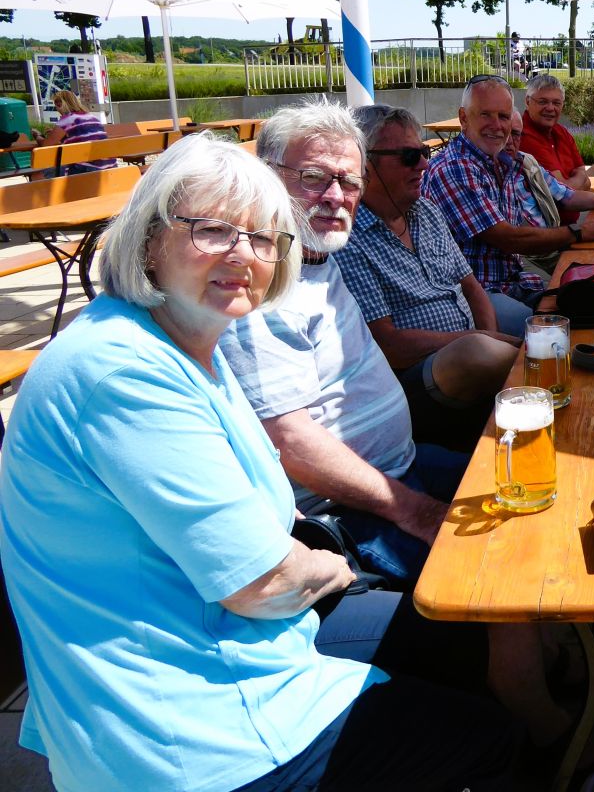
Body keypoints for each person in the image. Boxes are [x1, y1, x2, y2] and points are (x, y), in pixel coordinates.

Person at [0, 134, 520, 792]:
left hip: (218, 648)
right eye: (213, 229)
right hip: (192, 726)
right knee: (488, 736)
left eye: (264, 238)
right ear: (149, 240)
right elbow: (263, 584)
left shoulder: (177, 343)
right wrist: (335, 569)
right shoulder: (124, 376)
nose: (243, 254)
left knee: (463, 636)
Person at [219, 101, 462, 587]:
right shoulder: (258, 291)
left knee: (529, 500)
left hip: (403, 466)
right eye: (313, 178)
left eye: (349, 182)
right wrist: (413, 510)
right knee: (485, 573)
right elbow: (290, 443)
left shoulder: (317, 258)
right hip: (349, 512)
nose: (335, 196)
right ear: (266, 178)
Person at [335, 104, 520, 450]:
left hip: (468, 343)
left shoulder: (425, 210)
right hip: (415, 377)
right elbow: (388, 345)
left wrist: (490, 336)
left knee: (542, 324)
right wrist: (479, 339)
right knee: (481, 353)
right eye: (409, 156)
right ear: (364, 166)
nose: (423, 164)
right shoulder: (348, 238)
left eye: (423, 151)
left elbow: (470, 286)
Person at [423, 75, 594, 318]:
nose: (497, 126)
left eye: (503, 117)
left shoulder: (507, 161)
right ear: (463, 117)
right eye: (485, 115)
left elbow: (567, 194)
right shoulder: (455, 168)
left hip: (514, 281)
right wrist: (577, 232)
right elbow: (509, 239)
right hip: (472, 294)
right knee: (559, 326)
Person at [506, 114, 594, 280]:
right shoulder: (488, 172)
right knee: (562, 288)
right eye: (502, 133)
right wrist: (578, 231)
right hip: (524, 255)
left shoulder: (526, 161)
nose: (508, 141)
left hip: (552, 244)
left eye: (515, 134)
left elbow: (567, 195)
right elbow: (514, 240)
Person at [520, 73, 591, 193]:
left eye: (556, 103)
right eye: (543, 102)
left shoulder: (561, 131)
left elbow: (585, 179)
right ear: (528, 102)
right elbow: (562, 192)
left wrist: (578, 181)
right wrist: (580, 180)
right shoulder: (524, 136)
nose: (550, 108)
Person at [40, 89, 114, 172]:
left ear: (60, 105)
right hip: (109, 167)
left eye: (56, 106)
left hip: (86, 170)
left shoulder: (66, 120)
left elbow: (45, 145)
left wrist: (38, 136)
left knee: (44, 170)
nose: (57, 109)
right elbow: (82, 138)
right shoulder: (92, 117)